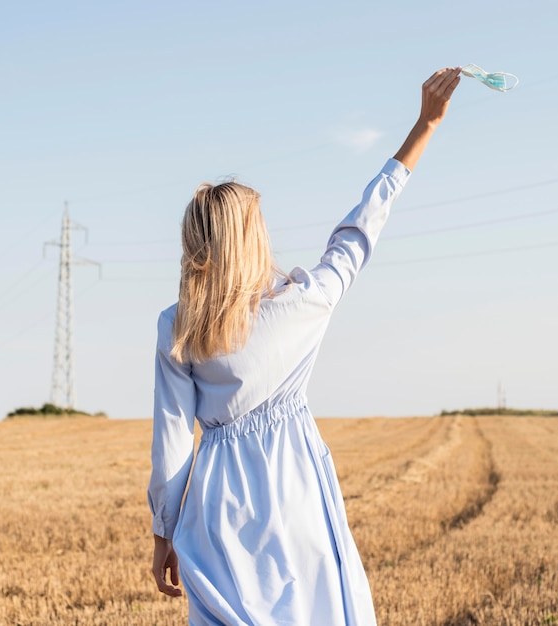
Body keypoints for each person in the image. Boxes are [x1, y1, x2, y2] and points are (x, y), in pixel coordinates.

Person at [148, 67, 461, 625]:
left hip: (214, 506)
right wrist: (425, 125)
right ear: (252, 238)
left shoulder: (178, 325)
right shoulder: (302, 303)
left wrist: (163, 533)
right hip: (292, 493)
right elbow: (358, 232)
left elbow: (172, 442)